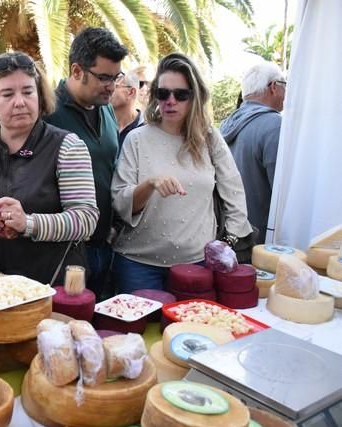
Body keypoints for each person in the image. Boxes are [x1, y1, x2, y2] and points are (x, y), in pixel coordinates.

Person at [0, 52, 99, 285]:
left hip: (54, 286)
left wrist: (29, 223)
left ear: (40, 96)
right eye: (7, 94)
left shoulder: (67, 147)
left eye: (27, 91)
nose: (20, 102)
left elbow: (86, 220)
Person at [111, 53, 251, 293]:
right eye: (163, 93)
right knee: (138, 332)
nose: (170, 101)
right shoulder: (137, 139)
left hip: (197, 265)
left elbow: (234, 192)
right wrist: (150, 184)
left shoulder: (209, 138)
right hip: (138, 265)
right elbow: (121, 203)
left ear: (194, 97)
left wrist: (228, 243)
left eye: (181, 94)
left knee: (193, 329)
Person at [45, 27, 128, 299]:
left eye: (116, 77)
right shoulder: (47, 113)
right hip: (63, 251)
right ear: (77, 70)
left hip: (104, 243)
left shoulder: (105, 108)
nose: (112, 86)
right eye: (104, 77)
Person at [220, 62, 286, 244]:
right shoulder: (275, 126)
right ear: (274, 87)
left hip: (229, 236)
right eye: (284, 85)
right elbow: (282, 196)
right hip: (262, 242)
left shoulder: (225, 126)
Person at [112, 72, 144, 149]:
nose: (109, 89)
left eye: (115, 86)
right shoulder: (103, 123)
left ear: (131, 92)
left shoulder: (144, 130)